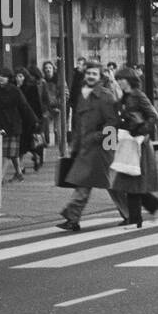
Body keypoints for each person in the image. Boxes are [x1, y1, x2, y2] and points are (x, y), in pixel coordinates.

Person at [57, 61, 119, 230]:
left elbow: (113, 122)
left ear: (100, 77)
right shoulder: (83, 94)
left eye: (94, 74)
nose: (91, 76)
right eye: (88, 73)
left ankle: (130, 213)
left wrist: (106, 145)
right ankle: (72, 218)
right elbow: (79, 123)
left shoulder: (105, 96)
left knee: (109, 184)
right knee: (86, 183)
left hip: (100, 148)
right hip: (86, 147)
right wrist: (75, 146)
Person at [108, 67, 158, 227]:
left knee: (132, 181)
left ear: (129, 80)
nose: (119, 82)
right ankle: (150, 208)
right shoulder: (123, 98)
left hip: (139, 144)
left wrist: (141, 130)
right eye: (117, 80)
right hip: (127, 142)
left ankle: (136, 218)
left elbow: (153, 115)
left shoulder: (138, 95)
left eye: (122, 79)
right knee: (130, 181)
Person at [0, 67, 39, 182]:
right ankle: (19, 173)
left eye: (3, 76)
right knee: (11, 153)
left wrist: (34, 121)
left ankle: (0, 178)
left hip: (13, 125)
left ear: (8, 78)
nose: (1, 78)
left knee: (6, 154)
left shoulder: (15, 91)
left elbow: (24, 106)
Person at [14, 68, 45, 172]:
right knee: (21, 145)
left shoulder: (31, 88)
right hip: (19, 120)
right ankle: (20, 166)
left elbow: (37, 105)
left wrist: (38, 120)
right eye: (17, 76)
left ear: (25, 77)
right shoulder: (14, 88)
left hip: (30, 120)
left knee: (30, 143)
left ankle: (36, 157)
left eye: (21, 76)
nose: (18, 79)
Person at [41, 61, 62, 148]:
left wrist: (59, 106)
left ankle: (60, 145)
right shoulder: (43, 81)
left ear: (53, 69)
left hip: (58, 107)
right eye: (46, 68)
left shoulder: (59, 80)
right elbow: (42, 96)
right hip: (47, 107)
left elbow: (64, 94)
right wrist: (45, 108)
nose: (48, 70)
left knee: (58, 128)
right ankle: (48, 143)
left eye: (50, 67)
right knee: (46, 124)